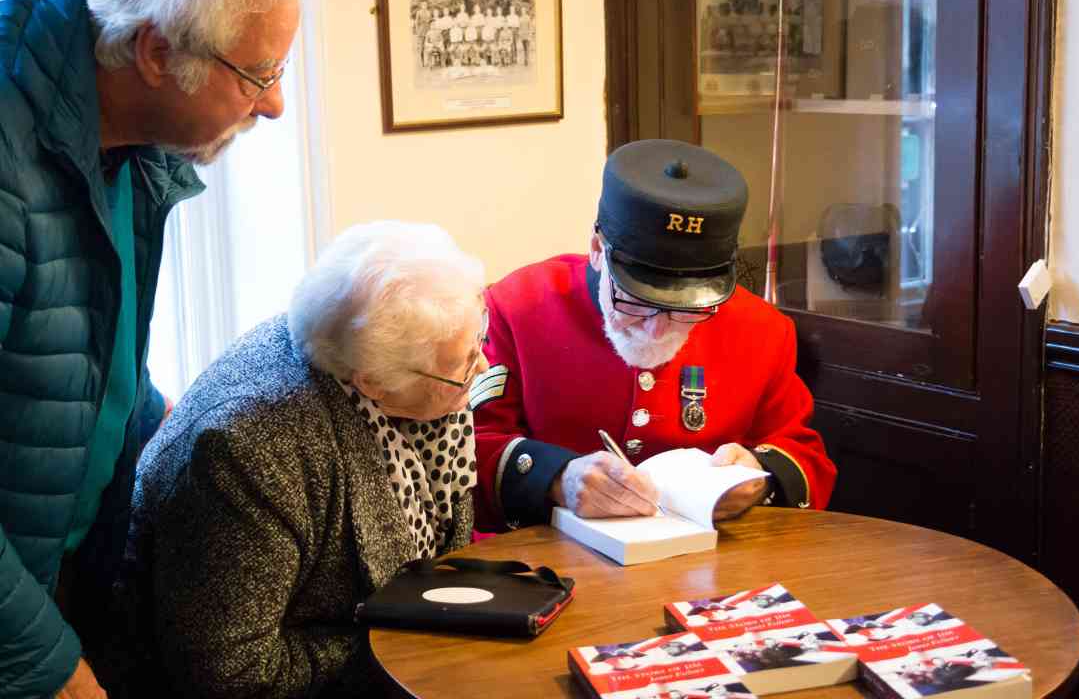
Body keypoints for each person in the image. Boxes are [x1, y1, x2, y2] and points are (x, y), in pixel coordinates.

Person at [0, 0, 301, 697]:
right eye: (259, 75)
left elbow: (84, 345)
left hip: (60, 571)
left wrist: (164, 428)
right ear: (157, 51)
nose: (273, 106)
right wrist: (41, 662)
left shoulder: (128, 135)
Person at [114, 221, 488, 698]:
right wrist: (401, 641)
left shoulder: (415, 367)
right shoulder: (252, 447)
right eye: (461, 365)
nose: (479, 365)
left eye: (480, 337)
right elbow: (231, 675)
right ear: (372, 382)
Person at [470, 140, 836, 532]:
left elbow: (804, 455)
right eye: (635, 300)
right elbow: (472, 447)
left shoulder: (761, 328)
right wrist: (559, 479)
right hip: (548, 560)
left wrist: (759, 478)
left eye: (686, 308)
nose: (658, 328)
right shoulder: (517, 307)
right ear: (597, 251)